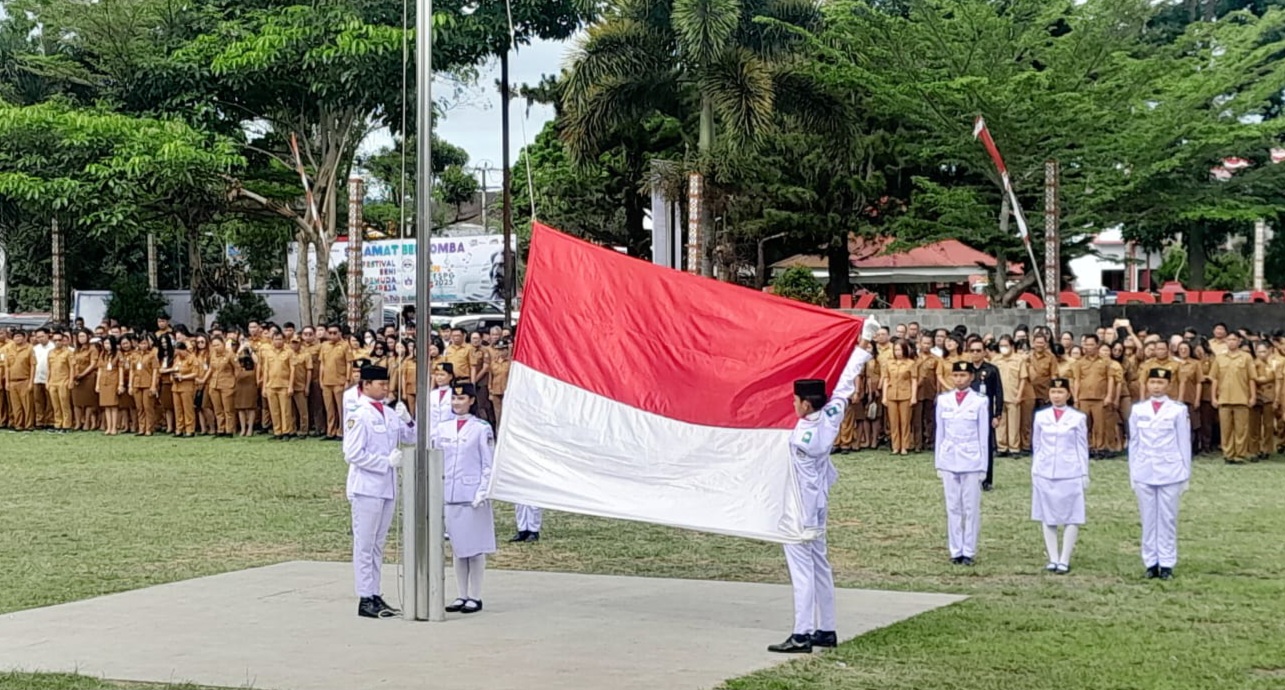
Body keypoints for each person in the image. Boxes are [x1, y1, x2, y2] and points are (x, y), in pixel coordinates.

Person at [767, 318, 876, 655]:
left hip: (802, 506)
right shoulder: (830, 415)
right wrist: (863, 346)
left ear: (806, 404)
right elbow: (843, 386)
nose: (792, 404)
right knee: (820, 564)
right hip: (818, 504)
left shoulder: (806, 435)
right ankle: (825, 628)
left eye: (796, 400)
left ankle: (802, 633)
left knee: (801, 568)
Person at [343, 365, 415, 618]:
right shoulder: (358, 414)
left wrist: (408, 419)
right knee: (365, 543)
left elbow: (412, 437)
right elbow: (352, 454)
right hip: (367, 486)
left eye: (386, 384)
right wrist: (384, 462)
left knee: (378, 544)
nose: (385, 388)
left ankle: (374, 592)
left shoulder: (388, 412)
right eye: (380, 384)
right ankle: (365, 596)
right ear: (366, 385)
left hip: (388, 486)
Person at [435, 381, 497, 615]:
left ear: (471, 401)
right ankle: (461, 594)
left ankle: (475, 595)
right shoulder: (443, 428)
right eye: (454, 398)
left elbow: (487, 463)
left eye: (461, 399)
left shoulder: (481, 428)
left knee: (475, 548)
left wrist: (483, 490)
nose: (456, 403)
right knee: (459, 548)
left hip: (472, 494)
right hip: (450, 492)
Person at [1128, 368, 1192, 580]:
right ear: (1147, 384)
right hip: (1145, 468)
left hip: (1170, 469)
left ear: (1168, 386)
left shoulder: (1177, 410)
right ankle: (1150, 561)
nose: (1156, 386)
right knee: (1148, 518)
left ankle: (1166, 562)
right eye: (1153, 382)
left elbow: (1184, 443)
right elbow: (1134, 442)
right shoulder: (1138, 410)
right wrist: (1133, 472)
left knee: (1168, 517)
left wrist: (1185, 473)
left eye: (1160, 382)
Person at [1030, 378, 1089, 574]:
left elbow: (1082, 447)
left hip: (1069, 471)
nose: (1057, 396)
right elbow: (1037, 444)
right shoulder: (1041, 416)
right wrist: (1035, 468)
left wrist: (1083, 472)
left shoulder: (1077, 418)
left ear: (1068, 395)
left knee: (1072, 515)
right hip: (1045, 470)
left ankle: (1065, 557)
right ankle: (1053, 557)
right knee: (1048, 515)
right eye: (1053, 392)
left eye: (1061, 392)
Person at [935, 361, 990, 566]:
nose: (959, 379)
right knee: (953, 506)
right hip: (950, 456)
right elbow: (940, 432)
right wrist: (939, 462)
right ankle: (955, 549)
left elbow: (983, 434)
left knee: (970, 507)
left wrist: (983, 465)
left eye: (963, 375)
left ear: (971, 377)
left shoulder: (979, 401)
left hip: (971, 457)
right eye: (956, 375)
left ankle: (969, 550)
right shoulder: (944, 400)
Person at [966, 339, 1003, 491]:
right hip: (968, 414)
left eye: (978, 350)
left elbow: (998, 393)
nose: (975, 353)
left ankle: (987, 480)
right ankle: (970, 478)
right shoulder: (965, 370)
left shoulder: (992, 370)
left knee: (986, 446)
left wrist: (997, 414)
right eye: (972, 350)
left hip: (985, 414)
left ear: (984, 352)